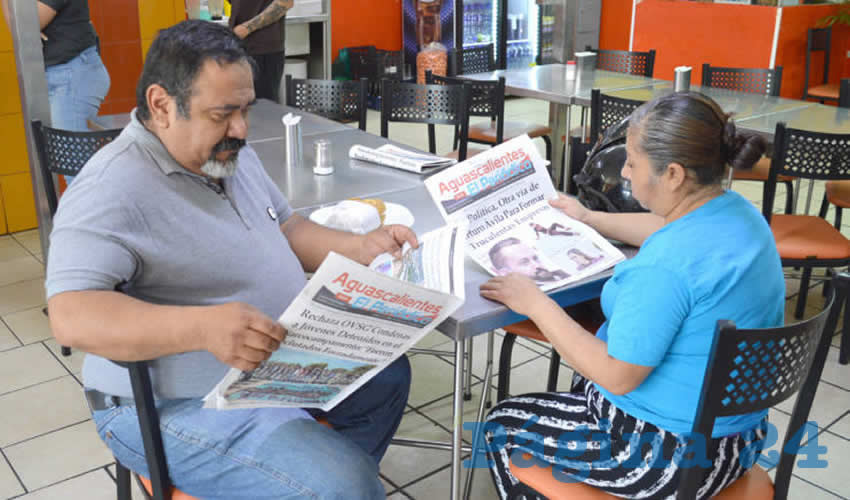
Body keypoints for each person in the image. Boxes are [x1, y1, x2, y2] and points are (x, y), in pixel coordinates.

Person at [45, 21, 412, 499]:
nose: (240, 129)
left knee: (388, 375)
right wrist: (203, 328)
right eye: (222, 114)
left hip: (263, 369)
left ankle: (296, 476)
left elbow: (286, 228)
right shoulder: (111, 187)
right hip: (168, 404)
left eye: (245, 110)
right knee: (343, 482)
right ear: (161, 106)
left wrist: (361, 247)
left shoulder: (225, 154)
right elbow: (71, 317)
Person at [479, 92, 783, 499]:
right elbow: (662, 228)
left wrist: (535, 302)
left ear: (673, 174)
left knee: (503, 423)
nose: (624, 171)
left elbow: (617, 377)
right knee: (576, 385)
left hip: (661, 456)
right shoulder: (740, 216)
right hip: (738, 443)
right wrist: (589, 218)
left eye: (633, 162)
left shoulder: (663, 269)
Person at [1, 0, 111, 182]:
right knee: (73, 169)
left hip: (72, 76)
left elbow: (26, 26)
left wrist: (27, 25)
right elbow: (19, 32)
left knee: (76, 176)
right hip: (59, 77)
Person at [229, 0, 292, 102]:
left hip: (264, 50)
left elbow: (285, 3)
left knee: (264, 108)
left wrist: (247, 28)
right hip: (239, 46)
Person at [489, 237, 568, 283]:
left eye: (535, 258)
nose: (537, 265)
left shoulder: (563, 274)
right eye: (524, 262)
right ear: (506, 273)